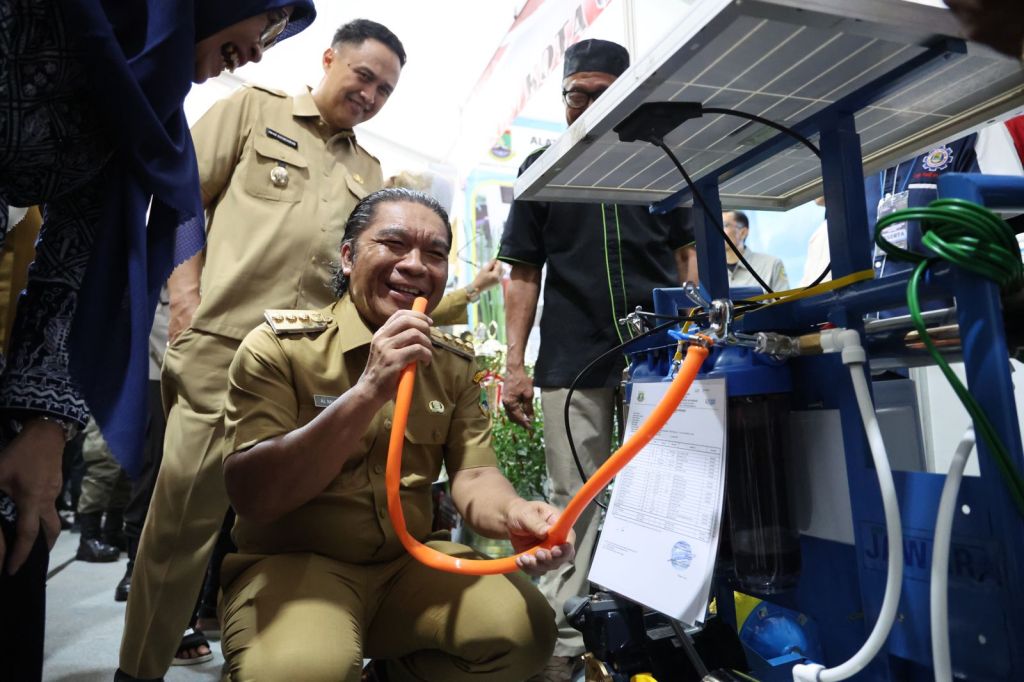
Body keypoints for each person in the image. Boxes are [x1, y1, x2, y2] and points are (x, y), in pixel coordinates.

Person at [118, 19, 471, 680]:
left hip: (309, 374)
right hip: (223, 353)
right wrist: (187, 298)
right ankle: (137, 672)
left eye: (384, 91)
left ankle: (267, 653)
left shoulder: (370, 173)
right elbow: (179, 200)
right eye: (363, 76)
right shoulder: (254, 110)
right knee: (181, 529)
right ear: (330, 58)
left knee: (288, 526)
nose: (369, 95)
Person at [0, 4, 315, 681]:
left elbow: (70, 257)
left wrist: (44, 424)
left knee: (18, 557)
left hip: (263, 377)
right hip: (209, 357)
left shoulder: (136, 114)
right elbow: (188, 209)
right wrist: (188, 300)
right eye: (268, 20)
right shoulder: (30, 18)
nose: (260, 51)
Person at [217, 187, 570, 682]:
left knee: (525, 634)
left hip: (410, 564)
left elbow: (475, 474)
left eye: (435, 253)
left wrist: (515, 512)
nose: (415, 265)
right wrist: (368, 390)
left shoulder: (452, 362)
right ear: (347, 257)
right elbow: (254, 496)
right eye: (393, 244)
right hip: (297, 564)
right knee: (300, 671)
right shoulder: (278, 349)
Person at [497, 38, 696, 682]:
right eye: (573, 95)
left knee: (668, 492)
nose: (582, 107)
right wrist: (514, 364)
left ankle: (665, 622)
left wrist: (694, 331)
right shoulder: (541, 168)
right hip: (569, 358)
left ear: (625, 93)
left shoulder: (659, 161)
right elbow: (522, 272)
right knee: (572, 500)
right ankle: (562, 640)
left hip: (659, 357)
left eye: (599, 94)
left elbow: (688, 253)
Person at [721, 210, 789, 292]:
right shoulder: (710, 271)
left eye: (724, 225)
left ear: (743, 232)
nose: (717, 230)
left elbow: (785, 302)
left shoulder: (771, 264)